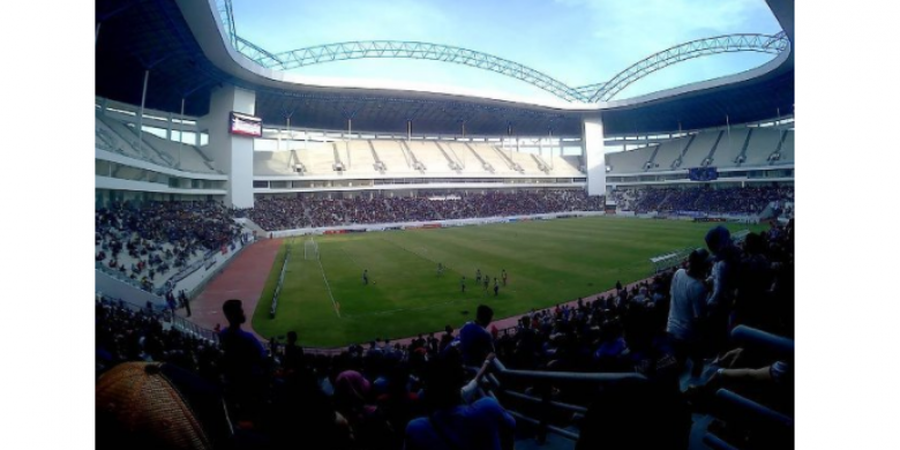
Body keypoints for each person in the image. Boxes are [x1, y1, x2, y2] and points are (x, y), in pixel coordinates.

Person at [405, 352, 515, 450]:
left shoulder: (415, 429)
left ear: (427, 390)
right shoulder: (488, 406)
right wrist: (487, 361)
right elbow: (510, 426)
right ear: (460, 381)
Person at [218, 299, 267, 421]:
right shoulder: (249, 339)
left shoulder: (223, 334)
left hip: (233, 382)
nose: (243, 312)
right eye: (241, 311)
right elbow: (262, 358)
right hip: (249, 383)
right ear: (236, 315)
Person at [667, 249, 711, 378]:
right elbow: (700, 319)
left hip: (671, 328)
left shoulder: (678, 273)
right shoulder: (698, 287)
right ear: (702, 266)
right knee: (697, 364)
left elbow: (674, 294)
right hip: (687, 334)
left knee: (678, 368)